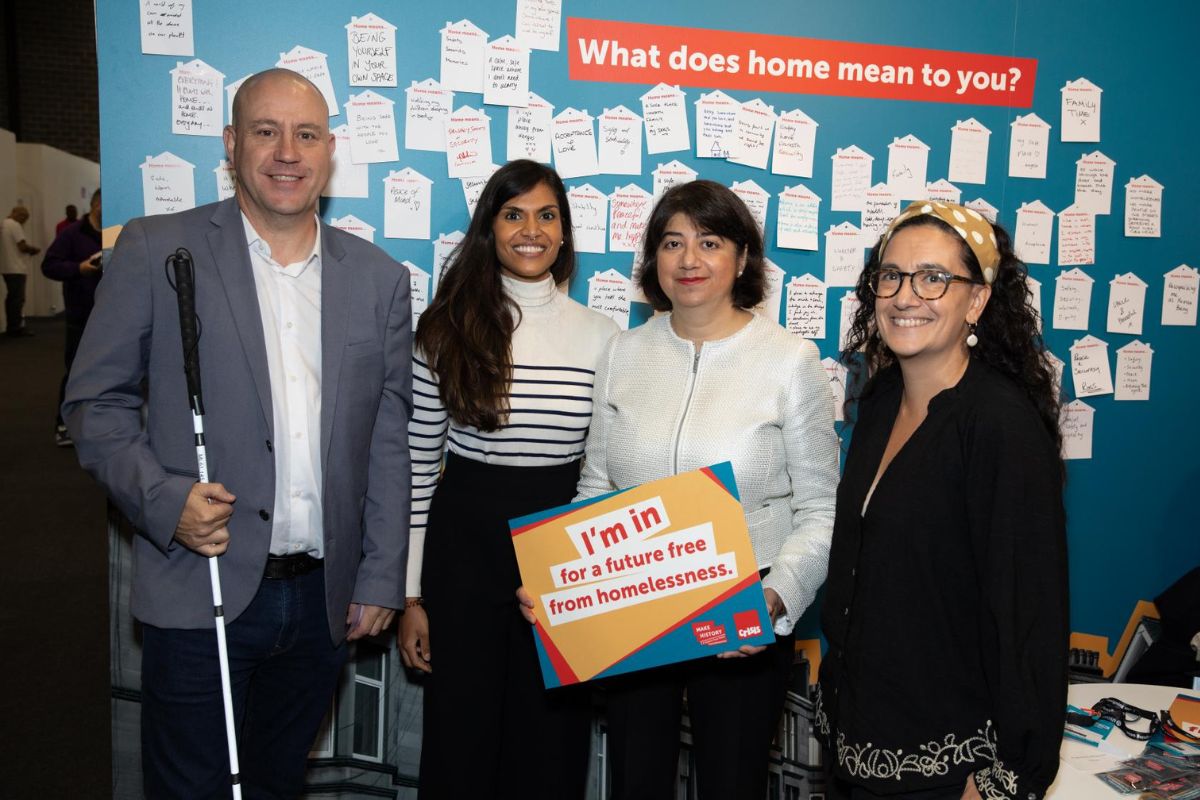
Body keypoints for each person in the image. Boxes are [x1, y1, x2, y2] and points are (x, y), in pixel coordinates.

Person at [63, 68, 412, 798]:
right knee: (192, 788)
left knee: (277, 783)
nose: (287, 151)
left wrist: (381, 573)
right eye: (265, 131)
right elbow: (94, 403)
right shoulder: (160, 251)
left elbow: (385, 433)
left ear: (329, 150)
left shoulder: (378, 278)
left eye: (306, 134)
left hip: (324, 602)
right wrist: (163, 499)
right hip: (201, 586)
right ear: (230, 143)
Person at [528, 179, 839, 799]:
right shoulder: (623, 353)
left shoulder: (790, 360)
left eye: (710, 241)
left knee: (732, 782)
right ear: (653, 260)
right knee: (634, 781)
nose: (689, 260)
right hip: (637, 606)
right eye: (672, 243)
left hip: (744, 610)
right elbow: (596, 484)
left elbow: (821, 508)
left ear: (743, 258)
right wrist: (559, 581)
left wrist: (774, 598)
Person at [818, 201, 1068, 800]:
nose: (906, 296)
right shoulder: (877, 402)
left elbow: (1027, 612)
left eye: (934, 277)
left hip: (949, 771)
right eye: (891, 276)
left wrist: (1006, 777)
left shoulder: (999, 426)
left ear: (976, 301)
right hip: (855, 743)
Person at [398, 159, 618, 799]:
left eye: (547, 215)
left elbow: (603, 467)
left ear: (565, 231)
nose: (531, 230)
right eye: (513, 214)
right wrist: (411, 597)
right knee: (459, 743)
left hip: (562, 542)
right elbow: (418, 468)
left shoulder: (603, 337)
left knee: (551, 745)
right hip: (462, 546)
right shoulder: (444, 329)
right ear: (489, 228)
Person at [42, 188, 102, 447]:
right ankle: (64, 424)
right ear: (95, 205)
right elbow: (49, 265)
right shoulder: (72, 234)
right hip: (81, 314)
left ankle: (100, 428)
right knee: (76, 371)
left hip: (111, 316)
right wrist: (79, 269)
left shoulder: (119, 232)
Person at [1, 205, 42, 337]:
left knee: (12, 298)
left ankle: (11, 326)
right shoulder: (15, 225)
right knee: (17, 299)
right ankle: (15, 328)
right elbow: (22, 246)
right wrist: (34, 250)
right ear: (14, 213)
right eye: (22, 216)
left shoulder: (3, 224)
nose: (23, 220)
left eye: (25, 218)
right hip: (16, 268)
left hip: (5, 267)